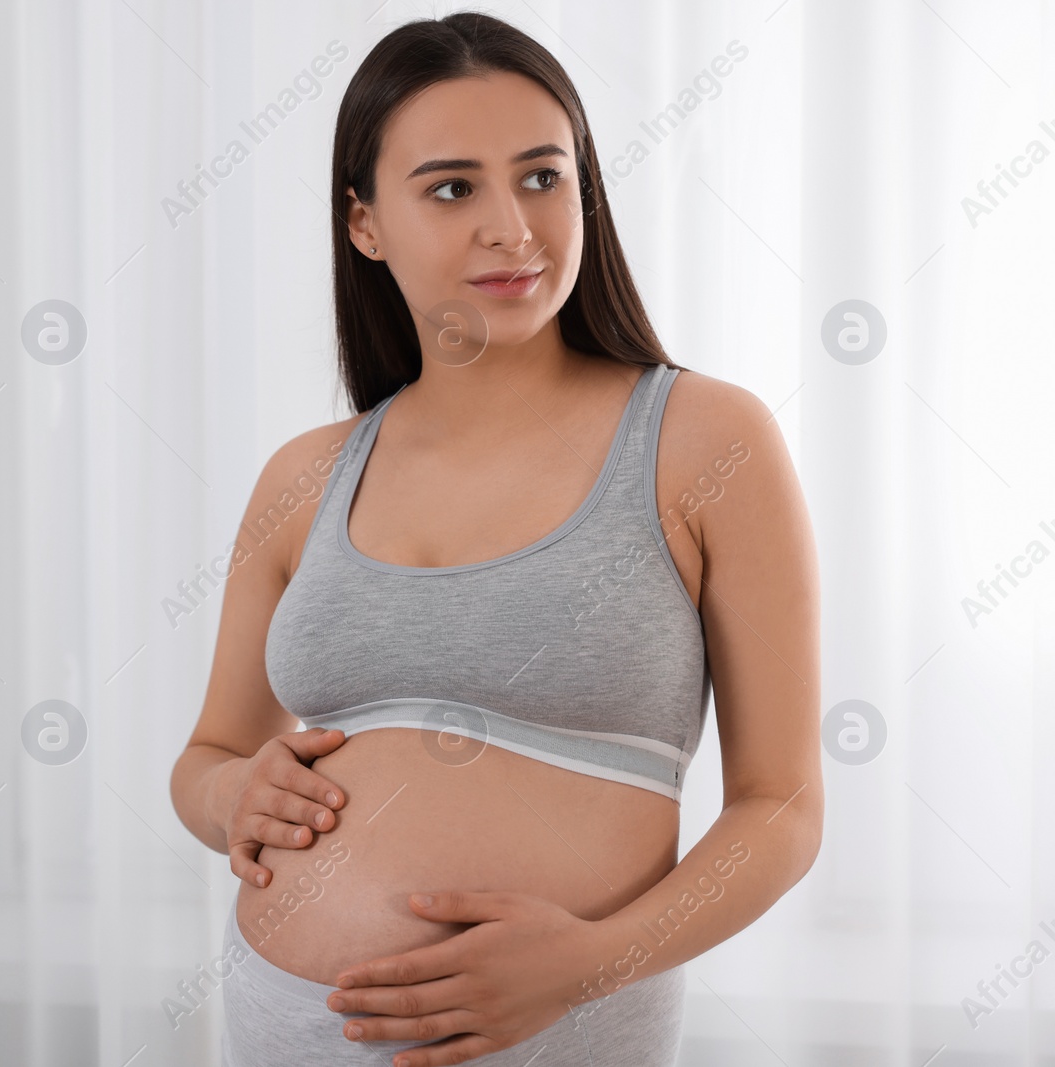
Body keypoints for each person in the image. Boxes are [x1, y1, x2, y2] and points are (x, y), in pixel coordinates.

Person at [169, 12, 822, 1066]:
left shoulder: (705, 440)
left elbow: (781, 807)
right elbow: (206, 755)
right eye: (449, 188)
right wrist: (228, 791)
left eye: (541, 177)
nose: (511, 226)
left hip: (561, 1031)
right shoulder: (304, 476)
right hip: (286, 1029)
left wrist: (596, 959)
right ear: (365, 222)